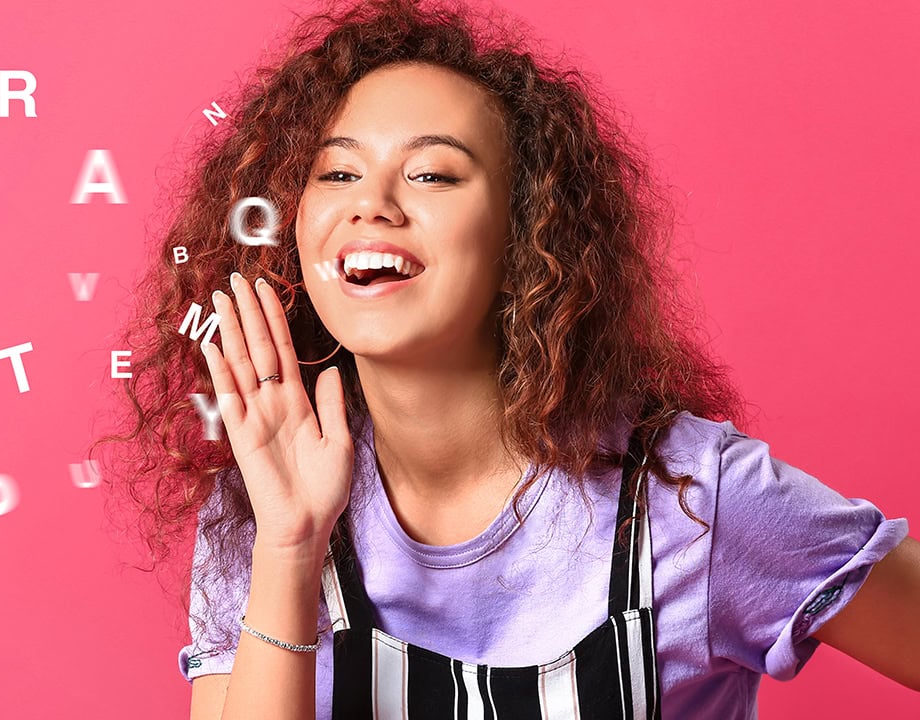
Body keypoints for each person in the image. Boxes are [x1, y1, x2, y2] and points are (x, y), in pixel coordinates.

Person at [89, 0, 918, 718]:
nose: (370, 205)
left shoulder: (695, 502)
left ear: (524, 236)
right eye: (335, 172)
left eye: (433, 175)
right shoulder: (264, 502)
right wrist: (289, 543)